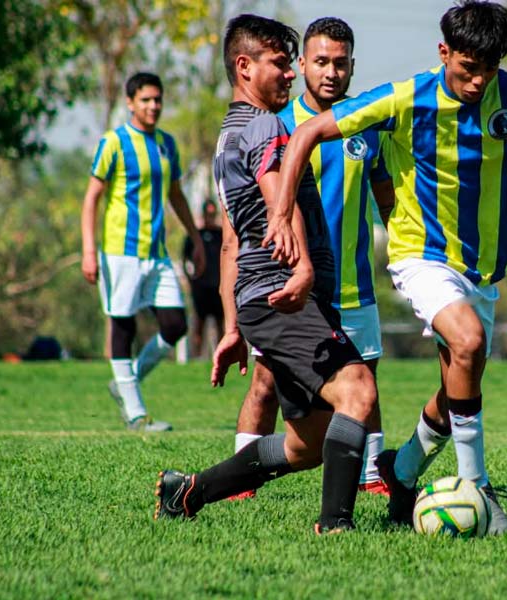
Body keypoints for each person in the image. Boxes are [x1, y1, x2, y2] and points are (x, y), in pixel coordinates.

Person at [267, 0, 507, 535]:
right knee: (469, 342)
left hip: (482, 271)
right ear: (444, 52)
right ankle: (478, 487)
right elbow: (307, 133)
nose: (478, 81)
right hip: (421, 255)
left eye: (488, 70)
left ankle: (402, 470)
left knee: (457, 386)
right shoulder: (405, 98)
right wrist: (279, 214)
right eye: (468, 68)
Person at [154, 14, 379, 535]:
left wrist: (234, 327)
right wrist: (302, 267)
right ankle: (336, 526)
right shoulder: (264, 126)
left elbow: (232, 241)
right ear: (244, 66)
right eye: (279, 63)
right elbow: (281, 201)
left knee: (308, 443)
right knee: (359, 392)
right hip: (285, 294)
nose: (289, 74)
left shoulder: (227, 137)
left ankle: (188, 491)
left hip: (262, 301)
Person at [225, 16, 395, 499]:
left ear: (352, 65)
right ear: (301, 65)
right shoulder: (277, 125)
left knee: (364, 379)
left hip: (354, 282)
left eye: (340, 63)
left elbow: (386, 201)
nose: (331, 72)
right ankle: (241, 479)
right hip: (289, 285)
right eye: (321, 61)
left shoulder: (367, 124)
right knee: (265, 382)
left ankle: (370, 476)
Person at [81, 71, 205, 432]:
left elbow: (176, 195)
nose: (153, 106)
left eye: (158, 99)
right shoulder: (114, 142)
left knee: (176, 324)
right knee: (124, 325)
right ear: (130, 103)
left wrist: (196, 239)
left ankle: (126, 382)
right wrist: (89, 250)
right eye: (146, 99)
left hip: (157, 252)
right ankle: (136, 415)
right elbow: (92, 199)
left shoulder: (167, 144)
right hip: (120, 252)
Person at [183, 199, 224, 358]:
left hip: (218, 286)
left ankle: (221, 357)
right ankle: (196, 358)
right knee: (199, 324)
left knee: (220, 324)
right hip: (201, 287)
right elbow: (185, 260)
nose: (210, 217)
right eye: (208, 213)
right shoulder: (196, 237)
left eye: (213, 214)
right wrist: (191, 279)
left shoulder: (221, 235)